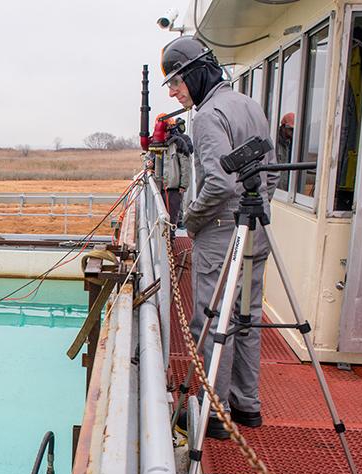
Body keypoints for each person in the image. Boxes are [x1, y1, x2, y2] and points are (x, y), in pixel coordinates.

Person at [160, 36, 279, 439]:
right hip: (256, 226)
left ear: (195, 73)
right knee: (247, 316)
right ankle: (248, 404)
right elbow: (272, 174)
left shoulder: (208, 115)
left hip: (219, 234)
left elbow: (218, 183)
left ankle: (214, 410)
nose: (175, 91)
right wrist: (256, 207)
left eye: (176, 81)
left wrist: (190, 219)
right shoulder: (249, 104)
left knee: (211, 320)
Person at [163, 116, 193, 231]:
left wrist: (183, 184)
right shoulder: (159, 143)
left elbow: (186, 164)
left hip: (175, 184)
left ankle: (176, 227)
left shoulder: (181, 141)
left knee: (174, 210)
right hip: (164, 186)